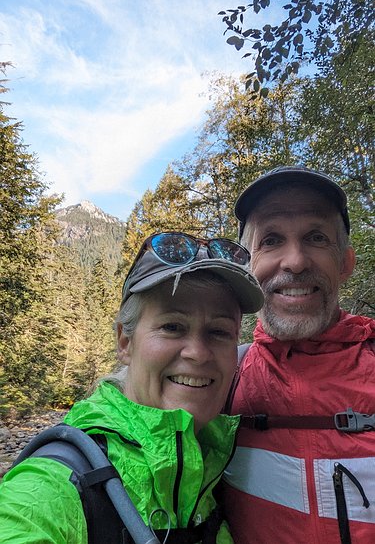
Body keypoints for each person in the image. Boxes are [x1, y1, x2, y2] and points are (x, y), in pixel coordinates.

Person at [0, 231, 263, 544]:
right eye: (172, 326)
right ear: (125, 343)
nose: (198, 352)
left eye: (219, 331)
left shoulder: (217, 467)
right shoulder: (55, 482)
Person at [222, 165, 375, 544]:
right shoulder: (218, 381)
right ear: (246, 267)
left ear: (345, 264)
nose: (295, 261)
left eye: (316, 237)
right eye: (271, 239)